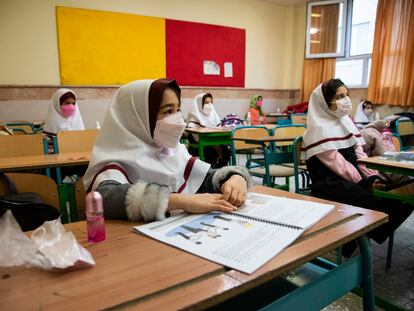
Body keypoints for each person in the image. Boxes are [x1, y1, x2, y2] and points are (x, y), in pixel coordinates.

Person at [83, 79, 251, 222]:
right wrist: (181, 201)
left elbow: (202, 179)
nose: (178, 119)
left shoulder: (171, 151)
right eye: (168, 111)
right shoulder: (117, 158)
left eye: (178, 110)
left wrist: (235, 177)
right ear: (139, 118)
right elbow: (104, 198)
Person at [302, 78, 413, 255]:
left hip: (353, 177)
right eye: (339, 96)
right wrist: (365, 184)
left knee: (402, 197)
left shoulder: (345, 122)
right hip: (331, 182)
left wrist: (372, 177)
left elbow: (360, 155)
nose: (345, 100)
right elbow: (340, 166)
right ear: (324, 102)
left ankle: (354, 239)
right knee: (374, 205)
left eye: (346, 95)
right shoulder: (317, 130)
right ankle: (350, 242)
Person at [187, 93, 230, 168]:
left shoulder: (213, 115)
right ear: (199, 104)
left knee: (226, 150)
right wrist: (214, 145)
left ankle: (220, 170)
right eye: (206, 103)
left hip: (213, 143)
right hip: (197, 146)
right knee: (211, 152)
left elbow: (218, 129)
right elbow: (197, 138)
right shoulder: (194, 118)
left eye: (211, 102)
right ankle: (209, 173)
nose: (210, 105)